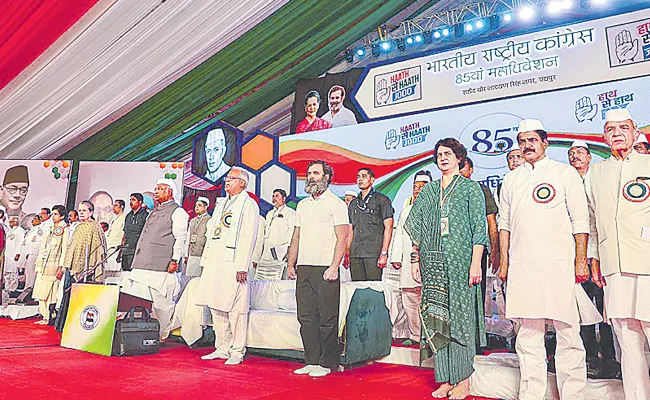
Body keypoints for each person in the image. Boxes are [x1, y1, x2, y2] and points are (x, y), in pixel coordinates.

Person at [499, 119, 589, 400]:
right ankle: (531, 393)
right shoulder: (512, 178)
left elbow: (581, 221)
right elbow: (505, 225)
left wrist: (581, 260)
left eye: (532, 141)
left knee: (568, 331)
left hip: (559, 264)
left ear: (545, 143)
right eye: (522, 141)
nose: (527, 146)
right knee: (527, 334)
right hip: (524, 265)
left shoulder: (564, 173)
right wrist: (504, 262)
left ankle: (572, 394)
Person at [405, 138, 487, 399]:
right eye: (439, 154)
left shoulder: (471, 189)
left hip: (462, 264)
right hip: (433, 265)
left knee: (461, 320)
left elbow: (479, 230)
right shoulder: (429, 191)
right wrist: (416, 259)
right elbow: (415, 228)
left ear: (459, 157)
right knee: (438, 320)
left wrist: (476, 263)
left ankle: (463, 380)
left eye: (448, 153)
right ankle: (444, 378)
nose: (443, 157)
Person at [584, 109, 650, 399]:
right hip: (614, 266)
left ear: (636, 133)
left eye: (624, 127)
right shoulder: (596, 173)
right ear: (604, 137)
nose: (618, 133)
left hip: (647, 261)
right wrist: (594, 257)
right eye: (611, 129)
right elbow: (592, 221)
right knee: (626, 334)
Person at [287, 160, 349, 377]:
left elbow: (343, 238)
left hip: (326, 268)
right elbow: (296, 236)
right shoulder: (303, 205)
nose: (311, 177)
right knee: (306, 317)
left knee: (327, 318)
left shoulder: (336, 204)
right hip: (304, 267)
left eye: (315, 173)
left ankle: (327, 363)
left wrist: (334, 266)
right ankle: (311, 360)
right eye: (309, 173)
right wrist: (290, 263)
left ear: (326, 177)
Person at [196, 167, 259, 365]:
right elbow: (211, 234)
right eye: (227, 178)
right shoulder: (222, 203)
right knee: (216, 305)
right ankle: (221, 347)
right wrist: (205, 261)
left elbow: (249, 236)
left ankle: (237, 351)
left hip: (234, 264)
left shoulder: (248, 204)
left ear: (243, 183)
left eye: (231, 178)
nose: (227, 181)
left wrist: (243, 265)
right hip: (216, 260)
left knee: (236, 309)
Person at [567, 139, 617, 376]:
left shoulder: (598, 181)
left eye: (579, 153)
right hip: (575, 255)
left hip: (601, 254)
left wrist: (594, 255)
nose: (575, 156)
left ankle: (609, 359)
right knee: (582, 311)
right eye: (571, 153)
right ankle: (588, 358)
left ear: (589, 157)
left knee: (606, 310)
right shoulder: (566, 181)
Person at [122, 180, 188, 340]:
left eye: (160, 189)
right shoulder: (154, 212)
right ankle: (141, 333)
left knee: (162, 304)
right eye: (155, 189)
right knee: (138, 300)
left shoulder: (178, 212)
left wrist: (175, 259)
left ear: (170, 192)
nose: (156, 192)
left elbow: (181, 238)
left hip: (162, 265)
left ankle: (162, 334)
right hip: (141, 264)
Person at [388, 171, 431, 346]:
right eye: (415, 187)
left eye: (422, 187)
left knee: (425, 300)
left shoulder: (435, 208)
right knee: (409, 300)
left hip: (426, 262)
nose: (418, 190)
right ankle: (415, 335)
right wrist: (396, 257)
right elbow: (399, 235)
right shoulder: (406, 210)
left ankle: (428, 337)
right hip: (407, 262)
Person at [460, 157, 499, 316]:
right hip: (452, 252)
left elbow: (491, 222)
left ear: (471, 170)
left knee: (477, 292)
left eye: (464, 167)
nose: (460, 170)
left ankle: (477, 335)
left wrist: (494, 250)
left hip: (476, 250)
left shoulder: (481, 190)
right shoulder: (445, 191)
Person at [348, 168, 394, 281]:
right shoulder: (353, 203)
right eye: (358, 177)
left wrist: (384, 253)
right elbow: (350, 229)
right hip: (355, 254)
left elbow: (389, 227)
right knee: (357, 289)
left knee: (373, 290)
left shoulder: (382, 200)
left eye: (364, 176)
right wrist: (347, 252)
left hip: (373, 253)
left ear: (372, 180)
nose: (360, 179)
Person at [33, 205, 68, 324]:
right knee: (41, 290)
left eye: (56, 214)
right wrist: (38, 264)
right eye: (53, 214)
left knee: (52, 291)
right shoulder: (50, 228)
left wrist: (61, 267)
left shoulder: (64, 229)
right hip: (44, 263)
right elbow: (43, 247)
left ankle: (49, 316)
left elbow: (64, 250)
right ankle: (44, 315)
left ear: (62, 216)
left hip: (54, 265)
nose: (53, 216)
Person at [62, 201, 107, 283]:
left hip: (86, 268)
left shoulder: (94, 227)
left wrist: (91, 266)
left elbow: (97, 249)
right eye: (79, 211)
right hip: (71, 266)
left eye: (84, 210)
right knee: (68, 292)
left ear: (91, 212)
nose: (81, 213)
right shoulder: (78, 226)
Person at [256, 189, 296, 279]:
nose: (274, 198)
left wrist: (289, 250)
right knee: (264, 278)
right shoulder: (269, 213)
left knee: (279, 278)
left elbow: (292, 232)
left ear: (284, 198)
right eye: (273, 196)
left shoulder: (290, 213)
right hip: (266, 252)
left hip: (280, 252)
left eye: (277, 196)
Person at [120, 193, 149, 272]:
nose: (131, 202)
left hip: (138, 251)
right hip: (126, 250)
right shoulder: (128, 216)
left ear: (140, 202)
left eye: (133, 200)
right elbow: (125, 234)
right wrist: (121, 252)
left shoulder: (145, 215)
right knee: (125, 273)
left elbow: (147, 235)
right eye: (130, 200)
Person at [184, 197, 211, 278]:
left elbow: (208, 240)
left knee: (198, 279)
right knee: (189, 279)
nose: (196, 207)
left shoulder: (209, 220)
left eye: (199, 205)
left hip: (201, 255)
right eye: (196, 205)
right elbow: (188, 238)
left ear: (205, 207)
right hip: (191, 254)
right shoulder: (193, 221)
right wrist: (186, 254)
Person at [17, 214, 43, 289]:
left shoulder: (39, 230)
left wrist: (31, 253)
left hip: (33, 254)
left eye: (35, 219)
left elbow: (38, 243)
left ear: (39, 221)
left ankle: (29, 290)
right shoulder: (32, 230)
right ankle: (26, 289)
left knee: (31, 274)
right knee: (27, 274)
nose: (32, 221)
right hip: (27, 255)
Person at [104, 200, 126, 283]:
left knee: (115, 274)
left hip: (116, 250)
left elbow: (124, 235)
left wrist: (121, 251)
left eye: (116, 205)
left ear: (122, 207)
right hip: (109, 249)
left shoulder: (124, 218)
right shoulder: (114, 218)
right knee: (107, 273)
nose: (113, 207)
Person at [3, 217, 25, 292]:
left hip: (14, 255)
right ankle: (7, 288)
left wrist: (18, 253)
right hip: (7, 255)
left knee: (13, 273)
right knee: (6, 273)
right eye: (10, 221)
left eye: (12, 221)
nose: (10, 223)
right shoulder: (10, 231)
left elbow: (21, 242)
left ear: (17, 222)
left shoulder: (20, 230)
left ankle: (12, 289)